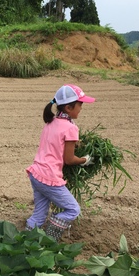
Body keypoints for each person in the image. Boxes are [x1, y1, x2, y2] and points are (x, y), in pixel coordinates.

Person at [25, 84, 95, 240]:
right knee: (73, 209)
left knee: (39, 214)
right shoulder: (70, 128)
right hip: (49, 178)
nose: (81, 108)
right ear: (69, 108)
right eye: (80, 104)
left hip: (36, 174)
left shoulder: (51, 122)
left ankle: (25, 243)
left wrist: (75, 143)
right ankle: (50, 239)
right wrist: (85, 160)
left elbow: (57, 143)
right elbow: (69, 160)